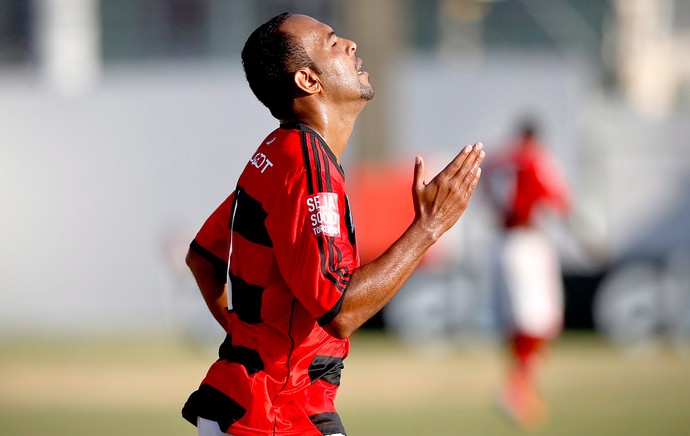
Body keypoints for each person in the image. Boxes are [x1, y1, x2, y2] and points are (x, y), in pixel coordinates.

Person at [181, 12, 484, 436]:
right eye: (332, 42)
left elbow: (202, 258)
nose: (351, 45)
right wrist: (429, 227)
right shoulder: (306, 169)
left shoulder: (277, 152)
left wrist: (249, 345)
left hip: (251, 403)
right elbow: (339, 310)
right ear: (308, 80)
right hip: (277, 414)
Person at [485, 120, 571, 431]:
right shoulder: (534, 158)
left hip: (501, 242)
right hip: (527, 242)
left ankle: (519, 388)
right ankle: (516, 389)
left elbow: (486, 195)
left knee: (517, 322)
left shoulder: (498, 160)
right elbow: (560, 201)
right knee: (542, 320)